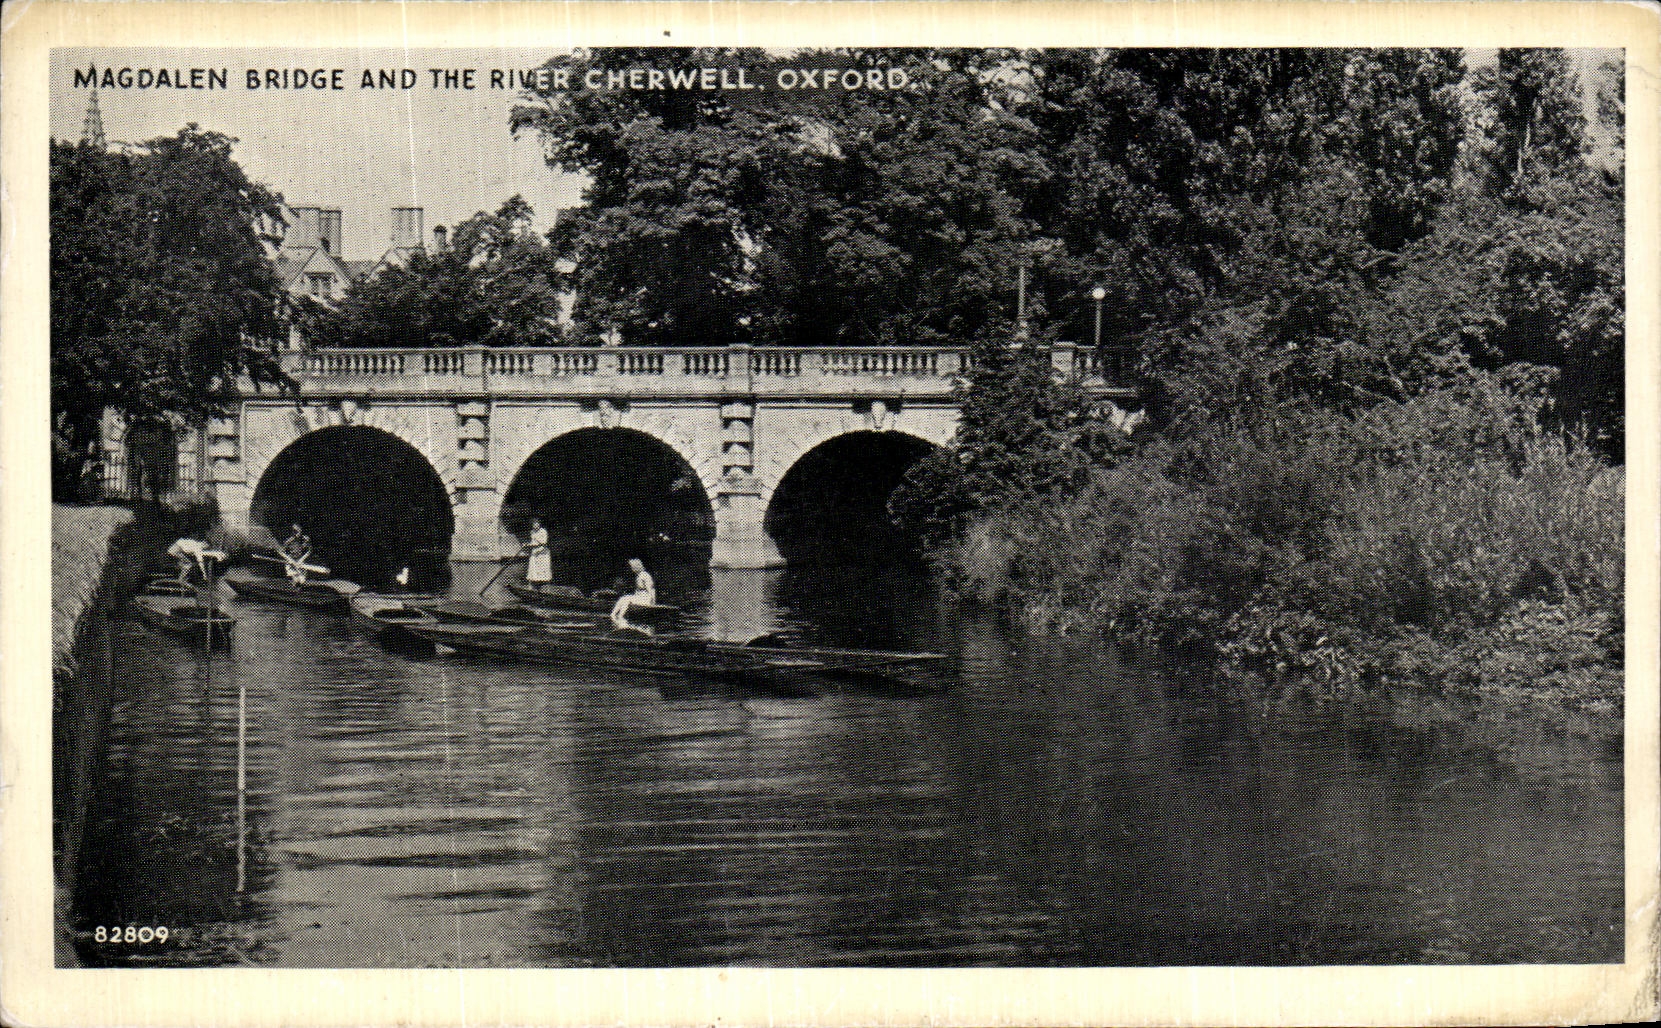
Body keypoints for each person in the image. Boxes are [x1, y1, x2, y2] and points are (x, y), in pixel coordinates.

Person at [610, 558, 655, 629]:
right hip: (639, 597)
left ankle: (621, 616)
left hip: (645, 599)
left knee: (627, 599)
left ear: (637, 567)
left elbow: (651, 590)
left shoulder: (645, 575)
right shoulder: (639, 575)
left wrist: (652, 603)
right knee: (623, 598)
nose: (631, 569)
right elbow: (637, 591)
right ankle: (613, 614)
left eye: (632, 567)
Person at [525, 517, 553, 588]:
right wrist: (527, 544)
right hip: (535, 552)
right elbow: (532, 542)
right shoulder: (532, 532)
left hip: (542, 552)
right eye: (534, 524)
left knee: (543, 568)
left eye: (536, 524)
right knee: (533, 568)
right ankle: (532, 586)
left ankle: (546, 586)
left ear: (539, 524)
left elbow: (544, 542)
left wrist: (533, 544)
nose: (535, 526)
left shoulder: (543, 531)